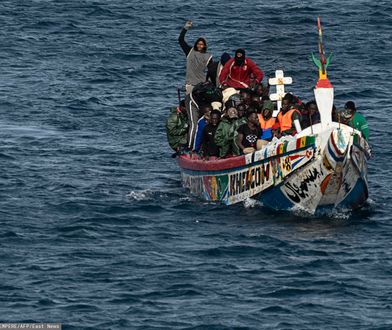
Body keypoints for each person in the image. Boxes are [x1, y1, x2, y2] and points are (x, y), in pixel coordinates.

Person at [178, 20, 213, 94]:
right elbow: (181, 40)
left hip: (202, 84)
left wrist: (209, 82)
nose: (200, 46)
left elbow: (211, 71)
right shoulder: (190, 51)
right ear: (196, 44)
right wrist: (185, 28)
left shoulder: (208, 56)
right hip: (190, 84)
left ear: (204, 46)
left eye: (202, 44)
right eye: (198, 44)